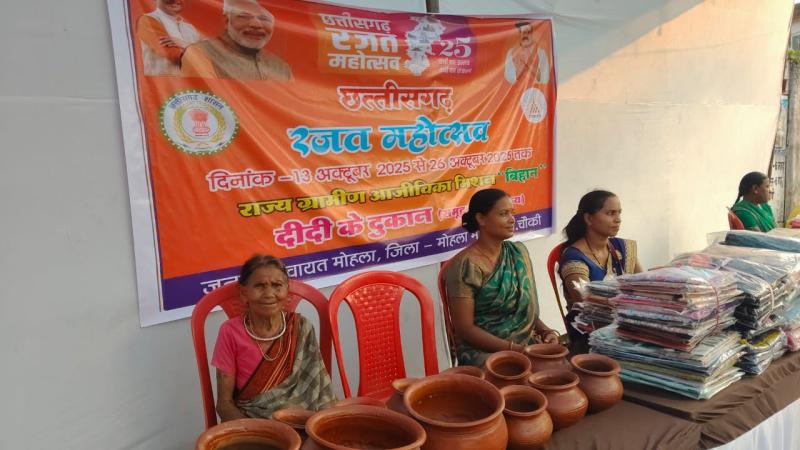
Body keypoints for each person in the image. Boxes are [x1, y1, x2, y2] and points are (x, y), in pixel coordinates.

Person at [443, 188, 560, 367]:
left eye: (512, 213)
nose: (512, 219)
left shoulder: (518, 253)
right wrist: (516, 350)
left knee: (561, 369)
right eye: (503, 214)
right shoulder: (465, 266)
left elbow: (523, 309)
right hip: (483, 351)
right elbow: (465, 329)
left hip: (525, 344)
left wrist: (545, 331)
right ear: (481, 219)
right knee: (527, 376)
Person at [212, 255, 335, 421]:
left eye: (277, 285)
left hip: (303, 420)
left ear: (287, 289)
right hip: (252, 422)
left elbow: (320, 394)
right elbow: (224, 404)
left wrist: (321, 425)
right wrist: (258, 431)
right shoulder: (230, 332)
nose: (269, 294)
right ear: (244, 293)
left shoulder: (301, 327)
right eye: (259, 286)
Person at [559, 190, 642, 351]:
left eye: (619, 213)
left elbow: (642, 285)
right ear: (589, 218)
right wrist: (629, 305)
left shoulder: (623, 247)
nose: (618, 219)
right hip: (591, 332)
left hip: (625, 323)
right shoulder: (574, 258)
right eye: (610, 213)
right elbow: (586, 300)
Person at [181, 0, 292, 81]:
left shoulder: (281, 67)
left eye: (264, 18)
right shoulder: (202, 53)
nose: (256, 24)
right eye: (244, 16)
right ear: (226, 21)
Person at [136, 0, 201, 76]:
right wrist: (201, 56)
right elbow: (174, 56)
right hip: (162, 82)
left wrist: (184, 44)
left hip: (192, 82)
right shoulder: (148, 20)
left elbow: (207, 62)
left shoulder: (190, 28)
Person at [504, 21, 549, 85]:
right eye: (522, 32)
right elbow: (509, 78)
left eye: (528, 32)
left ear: (532, 34)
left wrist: (528, 64)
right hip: (517, 90)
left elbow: (545, 78)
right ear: (518, 34)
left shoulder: (541, 52)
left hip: (535, 90)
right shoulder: (511, 52)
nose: (525, 35)